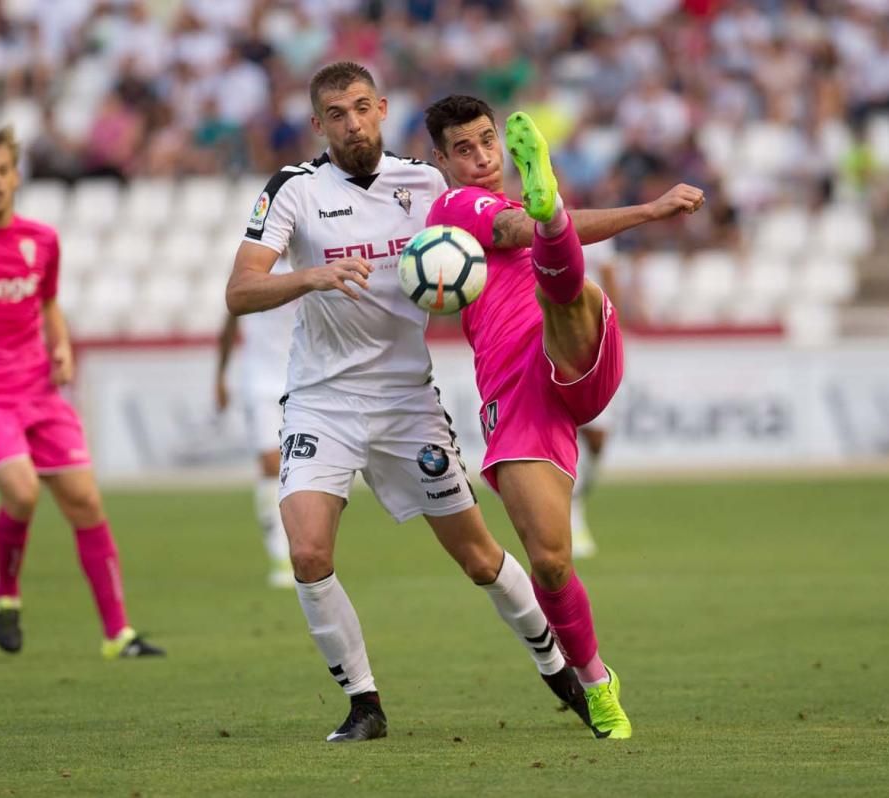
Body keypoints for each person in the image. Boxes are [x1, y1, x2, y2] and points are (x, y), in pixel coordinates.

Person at [225, 62, 589, 743]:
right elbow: (239, 292)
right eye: (337, 113)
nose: (353, 121)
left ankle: (558, 666)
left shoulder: (425, 184)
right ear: (319, 124)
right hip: (321, 400)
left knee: (479, 557)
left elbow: (499, 231)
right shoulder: (293, 191)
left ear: (382, 108)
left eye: (363, 107)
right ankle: (365, 703)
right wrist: (314, 276)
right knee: (307, 552)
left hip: (405, 401)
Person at [423, 95, 705, 739]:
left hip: (576, 343)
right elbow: (518, 232)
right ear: (441, 161)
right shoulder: (454, 208)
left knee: (567, 296)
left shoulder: (510, 205)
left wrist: (567, 216)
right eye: (463, 150)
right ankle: (599, 684)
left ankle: (556, 226)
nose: (482, 159)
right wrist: (646, 210)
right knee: (550, 560)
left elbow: (540, 228)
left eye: (487, 143)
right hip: (516, 392)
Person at [0, 127, 163, 659]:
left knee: (86, 501)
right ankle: (5, 595)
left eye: (3, 171)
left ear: (17, 175)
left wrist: (62, 347)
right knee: (21, 492)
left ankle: (118, 634)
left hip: (41, 390)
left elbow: (48, 305)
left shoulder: (42, 240)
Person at [215, 255, 299, 589]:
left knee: (302, 469)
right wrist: (219, 375)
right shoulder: (252, 269)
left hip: (303, 378)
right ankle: (281, 556)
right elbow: (229, 324)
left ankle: (306, 543)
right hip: (260, 382)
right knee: (270, 465)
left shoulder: (311, 263)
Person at [571, 238, 623, 560]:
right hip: (559, 337)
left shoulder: (597, 233)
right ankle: (570, 508)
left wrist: (614, 329)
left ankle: (576, 498)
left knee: (598, 437)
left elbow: (609, 276)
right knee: (567, 427)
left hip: (598, 341)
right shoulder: (531, 229)